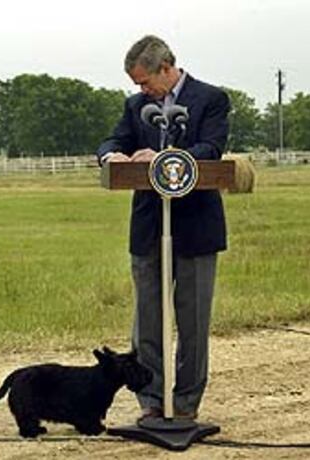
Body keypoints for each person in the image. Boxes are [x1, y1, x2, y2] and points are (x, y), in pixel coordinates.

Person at [97, 35, 230, 421]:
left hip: (195, 228)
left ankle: (186, 405)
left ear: (167, 68)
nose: (141, 90)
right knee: (147, 321)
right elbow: (113, 139)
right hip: (148, 228)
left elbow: (211, 149)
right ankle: (151, 401)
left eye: (144, 81)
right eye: (137, 85)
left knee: (192, 323)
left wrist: (166, 158)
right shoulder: (136, 106)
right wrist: (111, 154)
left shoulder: (211, 99)